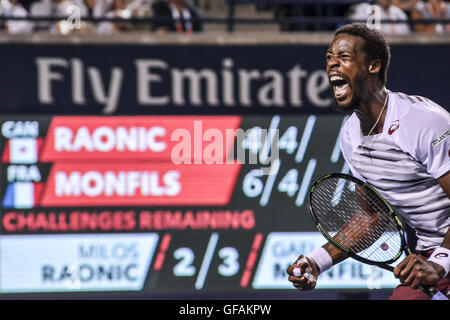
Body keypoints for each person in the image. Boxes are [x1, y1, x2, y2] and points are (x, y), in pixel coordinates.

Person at [286, 23, 450, 300]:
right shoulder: (350, 136)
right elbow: (372, 216)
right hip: (430, 255)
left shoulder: (422, 121)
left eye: (344, 57)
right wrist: (317, 261)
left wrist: (441, 263)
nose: (332, 65)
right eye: (329, 58)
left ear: (373, 66)